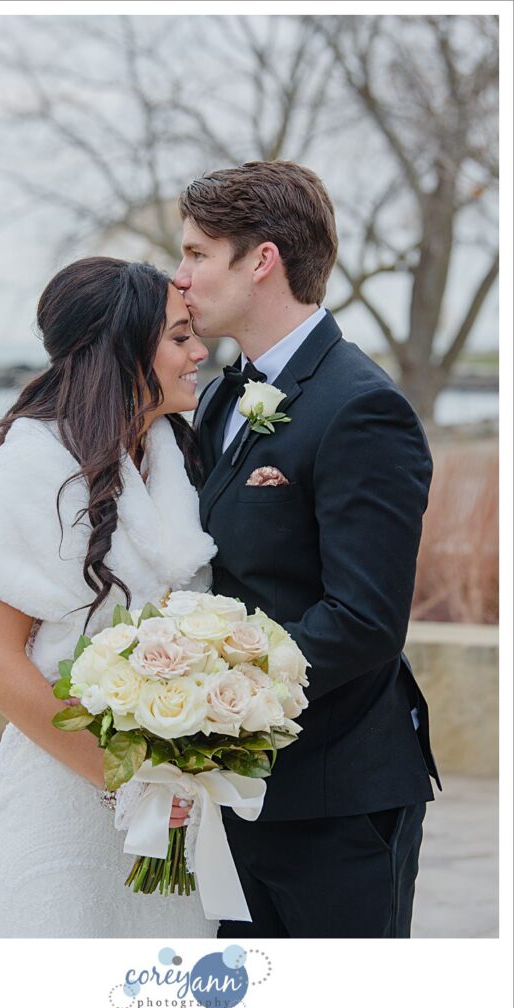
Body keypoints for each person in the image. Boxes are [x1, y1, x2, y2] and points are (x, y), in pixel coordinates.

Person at [173, 160, 442, 939]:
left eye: (196, 253)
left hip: (336, 798)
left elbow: (363, 619)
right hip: (238, 790)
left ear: (261, 261)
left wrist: (214, 698)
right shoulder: (221, 394)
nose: (180, 277)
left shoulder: (363, 407)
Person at [0, 257, 218, 938]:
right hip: (62, 806)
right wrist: (130, 777)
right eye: (179, 337)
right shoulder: (27, 469)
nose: (200, 352)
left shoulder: (179, 461)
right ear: (123, 349)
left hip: (176, 814)